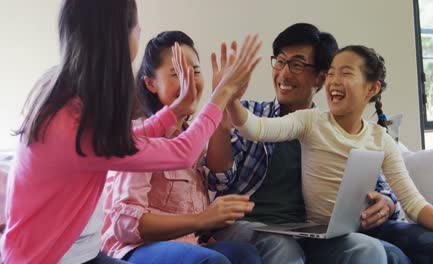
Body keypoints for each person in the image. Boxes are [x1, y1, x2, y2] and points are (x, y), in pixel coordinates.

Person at [0, 0, 263, 262]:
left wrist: (174, 111)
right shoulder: (74, 125)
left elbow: (123, 140)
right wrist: (222, 94)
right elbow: (181, 152)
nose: (139, 33)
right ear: (119, 37)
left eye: (194, 70)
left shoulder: (65, 94)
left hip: (83, 254)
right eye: (136, 27)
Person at [227, 44, 433, 263]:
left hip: (367, 226)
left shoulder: (379, 138)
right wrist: (231, 97)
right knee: (379, 253)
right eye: (331, 73)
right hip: (323, 235)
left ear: (372, 88)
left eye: (346, 73)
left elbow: (413, 202)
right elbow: (255, 128)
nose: (334, 80)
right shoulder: (311, 121)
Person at [205, 23, 404, 264]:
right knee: (282, 247)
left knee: (366, 248)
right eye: (280, 61)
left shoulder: (332, 129)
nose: (284, 73)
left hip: (312, 232)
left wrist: (387, 203)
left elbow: (380, 184)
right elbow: (218, 180)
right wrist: (223, 121)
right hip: (247, 226)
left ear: (321, 78)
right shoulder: (250, 114)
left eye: (297, 65)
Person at [101, 31, 261, 264]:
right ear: (150, 83)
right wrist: (203, 219)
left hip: (189, 244)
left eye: (195, 71)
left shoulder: (194, 134)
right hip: (135, 248)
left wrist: (226, 102)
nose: (190, 81)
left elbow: (220, 177)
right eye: (177, 73)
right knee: (213, 261)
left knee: (246, 254)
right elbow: (126, 225)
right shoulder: (141, 134)